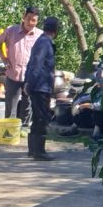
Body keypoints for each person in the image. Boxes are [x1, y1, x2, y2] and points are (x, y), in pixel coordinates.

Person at [0, 6, 41, 128]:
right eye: (28, 18)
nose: (30, 22)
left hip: (30, 78)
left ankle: (24, 129)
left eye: (34, 20)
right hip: (13, 75)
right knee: (10, 107)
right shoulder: (11, 31)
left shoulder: (40, 35)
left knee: (28, 105)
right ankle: (9, 131)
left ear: (37, 21)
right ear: (24, 17)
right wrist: (4, 59)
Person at [24, 17, 60, 161]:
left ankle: (33, 149)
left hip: (38, 85)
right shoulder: (45, 43)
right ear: (55, 31)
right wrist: (30, 84)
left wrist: (28, 82)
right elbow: (37, 64)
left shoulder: (40, 41)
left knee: (36, 117)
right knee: (41, 118)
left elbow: (31, 63)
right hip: (41, 86)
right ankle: (39, 151)